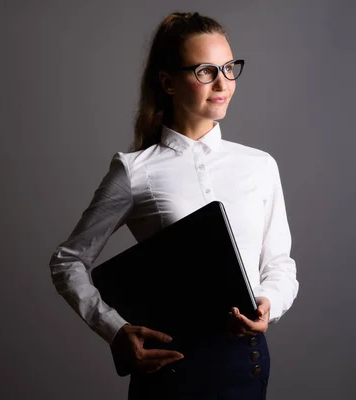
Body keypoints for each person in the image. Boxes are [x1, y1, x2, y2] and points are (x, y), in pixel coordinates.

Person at [48, 11, 299, 400]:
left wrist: (269, 303)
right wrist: (115, 330)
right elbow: (68, 261)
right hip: (171, 372)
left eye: (229, 68)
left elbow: (279, 264)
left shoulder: (260, 165)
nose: (223, 83)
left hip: (245, 365)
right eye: (204, 71)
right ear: (167, 81)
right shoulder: (135, 171)